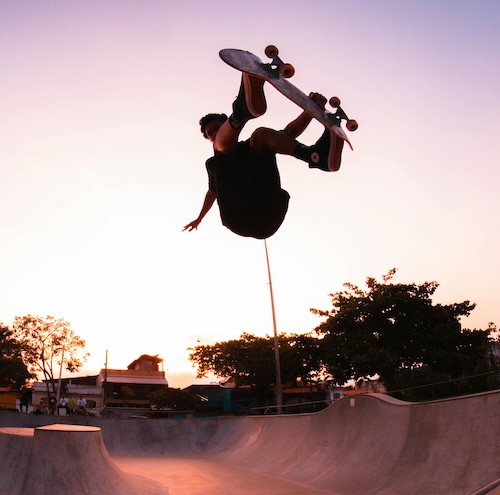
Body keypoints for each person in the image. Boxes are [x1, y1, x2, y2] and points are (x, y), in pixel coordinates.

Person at [183, 73, 343, 239]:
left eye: (217, 128)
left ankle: (316, 157)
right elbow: (211, 193)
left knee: (261, 135)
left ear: (224, 124)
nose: (215, 133)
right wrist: (199, 219)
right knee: (222, 152)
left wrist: (310, 109)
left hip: (269, 212)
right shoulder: (213, 164)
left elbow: (289, 134)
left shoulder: (252, 147)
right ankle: (240, 113)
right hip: (239, 218)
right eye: (211, 133)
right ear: (208, 139)